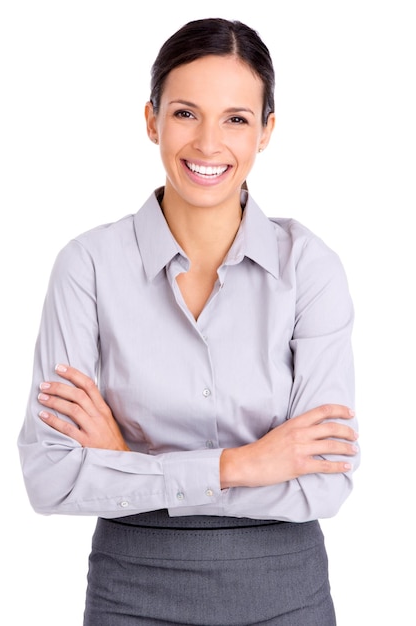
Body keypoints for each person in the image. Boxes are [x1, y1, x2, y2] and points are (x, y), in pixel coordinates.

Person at [18, 17, 360, 626]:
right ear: (151, 119)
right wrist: (245, 464)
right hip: (133, 595)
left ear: (266, 131)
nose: (207, 143)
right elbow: (52, 477)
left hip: (286, 596)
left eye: (236, 118)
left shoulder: (309, 270)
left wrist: (126, 462)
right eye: (185, 113)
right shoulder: (88, 268)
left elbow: (325, 484)